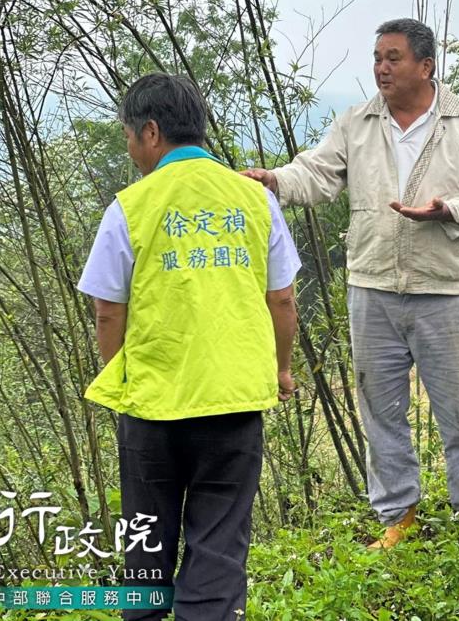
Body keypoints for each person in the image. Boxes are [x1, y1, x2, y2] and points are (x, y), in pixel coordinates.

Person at [243, 18, 459, 551]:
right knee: (379, 409)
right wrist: (274, 181)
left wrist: (446, 210)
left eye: (394, 58)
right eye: (378, 57)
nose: (382, 68)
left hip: (443, 287)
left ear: (425, 67)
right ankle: (397, 513)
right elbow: (315, 174)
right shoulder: (357, 122)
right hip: (371, 284)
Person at [79, 73, 301, 620]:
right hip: (234, 401)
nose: (130, 150)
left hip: (152, 406)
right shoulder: (254, 200)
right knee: (220, 546)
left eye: (129, 136)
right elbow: (283, 302)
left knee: (148, 548)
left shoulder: (130, 207)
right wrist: (280, 370)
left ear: (151, 132)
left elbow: (108, 309)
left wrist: (121, 375)